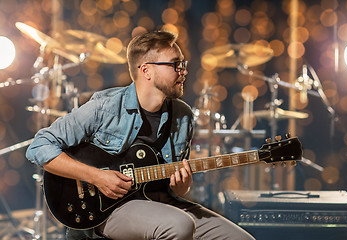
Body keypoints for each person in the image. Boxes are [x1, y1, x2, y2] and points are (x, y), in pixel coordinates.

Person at [26, 30, 255, 240]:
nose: (184, 71)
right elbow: (39, 146)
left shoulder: (183, 115)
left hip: (159, 203)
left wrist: (181, 186)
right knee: (179, 225)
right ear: (146, 69)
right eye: (176, 64)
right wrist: (97, 177)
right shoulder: (105, 106)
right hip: (108, 210)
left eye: (183, 64)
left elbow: (171, 186)